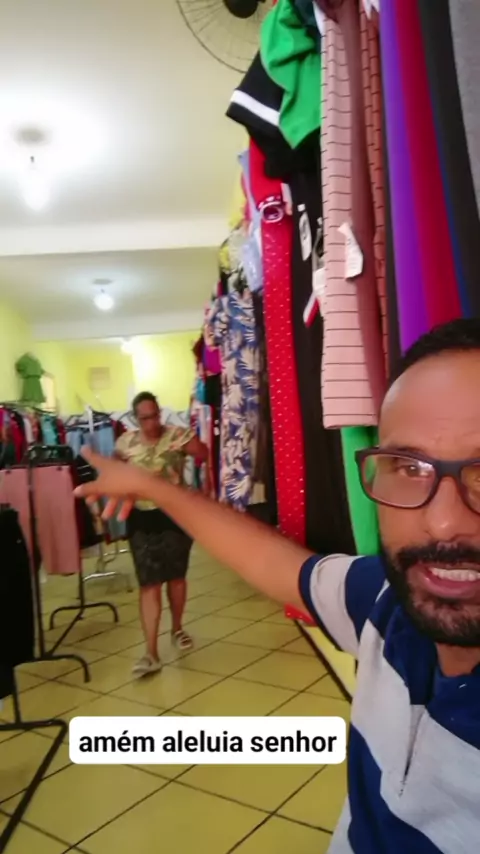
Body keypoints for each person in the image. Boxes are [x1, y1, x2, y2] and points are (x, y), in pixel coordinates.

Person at [75, 319, 480, 852]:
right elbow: (276, 563)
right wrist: (156, 489)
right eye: (408, 467)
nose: (444, 522)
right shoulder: (384, 602)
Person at [115, 391, 207, 677]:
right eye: (145, 418)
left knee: (176, 577)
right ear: (135, 419)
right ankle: (151, 652)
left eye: (155, 415)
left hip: (175, 514)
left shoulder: (177, 434)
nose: (152, 423)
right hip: (141, 518)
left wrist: (193, 447)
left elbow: (204, 454)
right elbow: (115, 469)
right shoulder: (125, 442)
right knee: (149, 583)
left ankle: (177, 628)